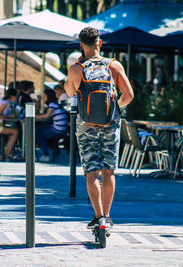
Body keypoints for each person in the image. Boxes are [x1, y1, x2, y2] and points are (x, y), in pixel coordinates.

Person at [64, 27, 134, 229]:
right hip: (110, 125)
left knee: (92, 173)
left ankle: (98, 217)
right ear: (99, 43)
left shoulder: (76, 68)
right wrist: (112, 110)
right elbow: (129, 96)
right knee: (108, 171)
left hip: (86, 126)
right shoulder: (114, 66)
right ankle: (108, 216)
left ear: (81, 45)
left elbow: (69, 92)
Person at [35, 89, 68, 162]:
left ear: (48, 96)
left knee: (40, 135)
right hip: (62, 128)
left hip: (58, 129)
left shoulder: (52, 105)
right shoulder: (55, 104)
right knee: (39, 128)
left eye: (44, 96)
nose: (43, 97)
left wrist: (36, 116)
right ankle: (37, 151)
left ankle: (45, 155)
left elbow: (46, 116)